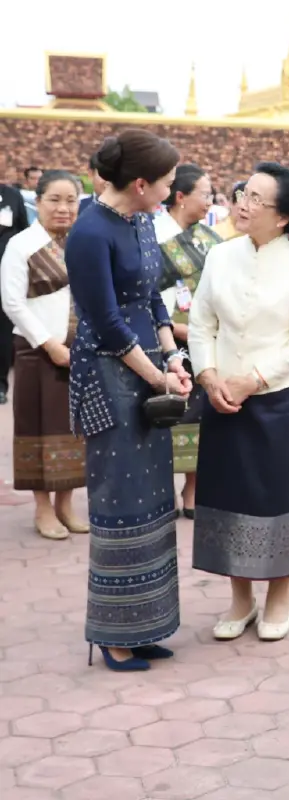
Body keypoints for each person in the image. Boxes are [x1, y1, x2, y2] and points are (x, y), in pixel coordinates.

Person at [65, 129, 191, 672]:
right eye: (166, 184)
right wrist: (156, 375)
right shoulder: (89, 232)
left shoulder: (141, 221)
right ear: (140, 184)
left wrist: (172, 358)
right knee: (119, 499)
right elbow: (108, 323)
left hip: (146, 367)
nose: (170, 191)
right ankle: (114, 635)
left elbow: (154, 297)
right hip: (109, 374)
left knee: (153, 496)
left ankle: (146, 626)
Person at [188, 163, 289, 643]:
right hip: (222, 398)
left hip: (282, 401)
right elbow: (202, 324)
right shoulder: (220, 256)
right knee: (227, 496)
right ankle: (240, 598)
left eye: (256, 199)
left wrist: (255, 379)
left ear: (284, 216)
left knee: (278, 498)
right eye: (243, 193)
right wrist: (208, 376)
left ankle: (280, 594)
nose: (243, 204)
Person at [0, 170, 88, 540]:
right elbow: (13, 304)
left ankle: (65, 504)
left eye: (71, 201)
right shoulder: (21, 245)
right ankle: (42, 508)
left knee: (72, 430)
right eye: (55, 199)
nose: (63, 208)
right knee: (37, 429)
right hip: (37, 352)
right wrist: (49, 344)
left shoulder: (82, 245)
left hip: (78, 351)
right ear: (37, 202)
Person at [154, 164, 222, 516]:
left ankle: (193, 490)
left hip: (204, 341)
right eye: (205, 193)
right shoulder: (155, 237)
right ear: (180, 197)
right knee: (167, 415)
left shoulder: (209, 239)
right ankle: (164, 490)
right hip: (167, 338)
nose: (210, 201)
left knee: (200, 417)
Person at [0, 181, 32, 405]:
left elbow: (23, 231)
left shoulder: (11, 196)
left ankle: (0, 385)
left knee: (3, 332)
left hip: (5, 275)